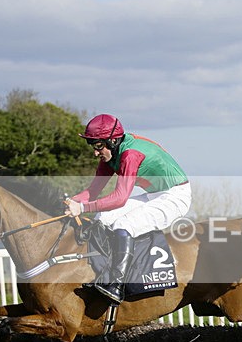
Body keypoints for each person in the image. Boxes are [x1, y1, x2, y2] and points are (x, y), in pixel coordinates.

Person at [65, 114, 191, 303]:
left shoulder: (129, 155)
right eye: (92, 146)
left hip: (175, 196)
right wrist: (71, 202)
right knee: (102, 218)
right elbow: (93, 191)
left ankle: (116, 285)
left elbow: (120, 198)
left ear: (113, 140)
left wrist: (82, 208)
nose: (95, 152)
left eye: (99, 145)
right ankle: (102, 275)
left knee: (124, 224)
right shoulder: (110, 154)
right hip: (153, 194)